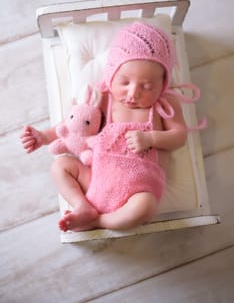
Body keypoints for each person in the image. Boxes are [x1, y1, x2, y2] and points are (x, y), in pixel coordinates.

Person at [20, 21, 199, 232]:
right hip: (97, 178)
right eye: (124, 82)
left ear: (163, 84)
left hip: (139, 188)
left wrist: (151, 138)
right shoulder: (104, 98)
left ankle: (97, 221)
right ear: (112, 74)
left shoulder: (165, 104)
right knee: (60, 167)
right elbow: (75, 123)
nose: (133, 93)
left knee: (146, 207)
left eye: (147, 86)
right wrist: (44, 136)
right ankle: (82, 206)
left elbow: (179, 136)